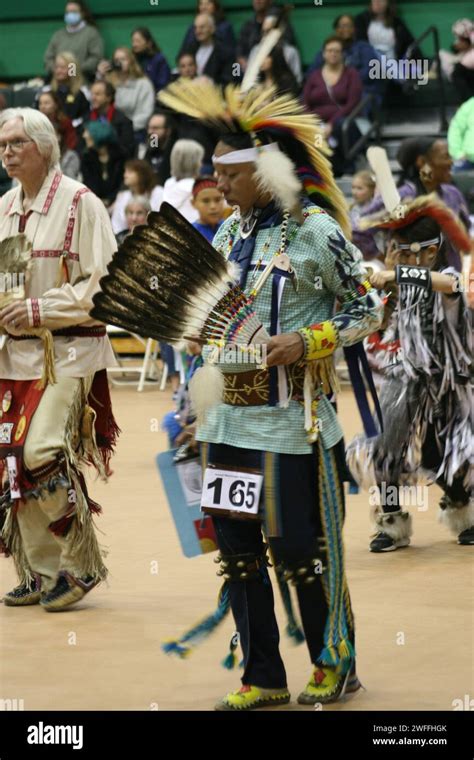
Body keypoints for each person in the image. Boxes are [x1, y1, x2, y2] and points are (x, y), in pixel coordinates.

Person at [158, 76, 383, 709]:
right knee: (236, 552)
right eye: (215, 174)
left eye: (230, 174)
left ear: (268, 171)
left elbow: (369, 308)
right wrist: (193, 372)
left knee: (295, 547)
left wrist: (309, 339)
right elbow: (206, 325)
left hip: (293, 424)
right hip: (227, 425)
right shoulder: (227, 239)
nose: (218, 185)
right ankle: (263, 676)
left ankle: (334, 662)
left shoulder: (316, 232)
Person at [0, 108, 119, 610]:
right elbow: (6, 281)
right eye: (3, 144)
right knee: (11, 463)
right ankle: (45, 572)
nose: (7, 151)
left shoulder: (80, 203)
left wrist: (37, 309)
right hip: (13, 356)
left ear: (45, 147)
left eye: (17, 143)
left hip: (67, 353)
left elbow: (104, 284)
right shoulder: (6, 207)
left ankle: (82, 559)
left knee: (41, 451)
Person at [348, 194, 473, 550]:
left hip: (449, 382)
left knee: (444, 453)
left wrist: (396, 273)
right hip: (404, 376)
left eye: (405, 252)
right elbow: (378, 321)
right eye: (394, 251)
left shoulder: (446, 276)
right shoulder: (395, 285)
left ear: (430, 253)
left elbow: (452, 287)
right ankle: (390, 523)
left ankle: (462, 508)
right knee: (386, 446)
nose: (396, 258)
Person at [354, 137, 471, 271]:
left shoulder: (453, 194)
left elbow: (465, 233)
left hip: (449, 281)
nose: (451, 162)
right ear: (422, 162)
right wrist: (383, 257)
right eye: (445, 157)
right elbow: (357, 230)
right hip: (409, 283)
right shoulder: (400, 198)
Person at [303, 36, 363, 176]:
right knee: (317, 139)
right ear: (324, 53)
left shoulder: (351, 74)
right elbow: (305, 101)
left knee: (341, 127)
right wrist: (312, 122)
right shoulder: (314, 75)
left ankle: (346, 165)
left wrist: (331, 123)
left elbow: (352, 103)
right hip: (317, 122)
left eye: (337, 50)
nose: (333, 53)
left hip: (341, 121)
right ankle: (323, 169)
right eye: (330, 50)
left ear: (342, 54)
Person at [307, 14, 382, 106]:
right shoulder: (328, 48)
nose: (345, 29)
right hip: (330, 89)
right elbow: (312, 72)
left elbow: (370, 71)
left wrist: (344, 82)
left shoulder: (363, 47)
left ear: (354, 29)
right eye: (342, 26)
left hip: (359, 90)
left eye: (349, 26)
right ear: (336, 29)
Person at [97, 47, 155, 145]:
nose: (119, 63)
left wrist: (124, 128)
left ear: (131, 61)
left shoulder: (143, 84)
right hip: (109, 130)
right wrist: (100, 76)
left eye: (123, 59)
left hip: (135, 131)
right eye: (116, 60)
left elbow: (145, 114)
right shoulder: (109, 83)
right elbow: (97, 102)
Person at [44, 1, 104, 83]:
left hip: (82, 82)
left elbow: (96, 58)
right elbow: (48, 58)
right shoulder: (58, 35)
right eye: (68, 12)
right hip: (58, 83)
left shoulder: (91, 33)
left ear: (82, 13)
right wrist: (59, 70)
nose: (70, 14)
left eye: (74, 12)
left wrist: (73, 70)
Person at [236, 0, 297, 71]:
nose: (257, 1)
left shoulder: (280, 23)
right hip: (251, 72)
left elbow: (286, 51)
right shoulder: (248, 26)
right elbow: (239, 53)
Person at [354, 0, 421, 64]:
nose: (377, 1)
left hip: (393, 65)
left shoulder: (397, 23)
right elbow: (360, 47)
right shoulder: (361, 21)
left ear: (389, 3)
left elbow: (411, 46)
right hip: (371, 65)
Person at [247, 13, 302, 86]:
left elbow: (298, 80)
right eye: (263, 32)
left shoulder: (290, 52)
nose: (265, 35)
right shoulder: (255, 51)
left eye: (269, 31)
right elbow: (250, 80)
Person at [111, 159, 163, 235]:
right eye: (125, 172)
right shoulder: (123, 196)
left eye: (130, 172)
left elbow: (160, 221)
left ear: (141, 174)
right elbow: (116, 225)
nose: (125, 175)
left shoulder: (158, 192)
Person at [80, 120, 125, 206]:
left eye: (87, 132)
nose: (84, 135)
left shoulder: (121, 156)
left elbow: (121, 184)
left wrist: (111, 200)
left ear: (99, 134)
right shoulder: (87, 158)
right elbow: (89, 184)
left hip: (118, 203)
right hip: (95, 204)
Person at [89, 81, 135, 160]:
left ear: (109, 97)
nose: (93, 98)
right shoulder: (87, 119)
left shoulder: (123, 122)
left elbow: (127, 151)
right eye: (92, 94)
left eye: (97, 94)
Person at [162, 139, 204, 224]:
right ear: (193, 163)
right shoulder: (198, 187)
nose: (201, 164)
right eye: (200, 160)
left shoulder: (169, 183)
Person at [187, 13, 234, 85]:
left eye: (202, 27)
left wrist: (211, 83)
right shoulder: (190, 49)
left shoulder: (225, 52)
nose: (198, 31)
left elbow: (232, 78)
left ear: (212, 29)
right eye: (196, 27)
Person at [48, 52, 90, 130]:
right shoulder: (48, 91)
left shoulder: (81, 92)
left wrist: (71, 125)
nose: (58, 71)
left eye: (63, 67)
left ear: (72, 69)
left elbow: (87, 115)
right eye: (56, 67)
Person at [130, 27, 171, 93]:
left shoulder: (159, 60)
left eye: (138, 41)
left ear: (149, 43)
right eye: (133, 41)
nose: (134, 45)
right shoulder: (131, 60)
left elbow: (163, 86)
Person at [141, 112, 172, 184]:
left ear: (168, 131)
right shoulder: (147, 149)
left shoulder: (173, 152)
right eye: (149, 128)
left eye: (155, 128)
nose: (150, 132)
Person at [191, 175, 225, 242]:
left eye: (218, 200)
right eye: (206, 201)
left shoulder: (231, 228)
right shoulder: (191, 233)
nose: (213, 206)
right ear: (193, 203)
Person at [448, 97, 474, 171]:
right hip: (468, 159)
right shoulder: (470, 105)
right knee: (449, 177)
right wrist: (457, 153)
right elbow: (456, 129)